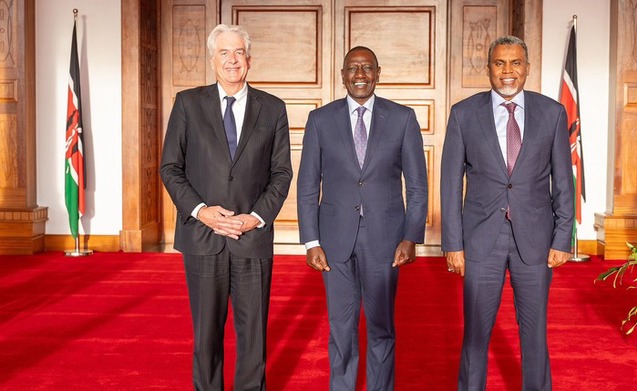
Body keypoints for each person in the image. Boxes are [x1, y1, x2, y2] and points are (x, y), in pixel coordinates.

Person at [159, 24, 292, 391]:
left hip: (253, 238)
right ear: (212, 59)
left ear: (248, 60)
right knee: (206, 336)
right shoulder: (188, 103)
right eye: (224, 53)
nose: (232, 60)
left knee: (254, 338)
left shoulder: (273, 108)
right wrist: (201, 211)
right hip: (203, 237)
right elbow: (170, 167)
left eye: (238, 53)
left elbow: (281, 173)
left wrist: (254, 218)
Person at [440, 36, 574, 390]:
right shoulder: (464, 114)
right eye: (500, 63)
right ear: (489, 69)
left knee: (534, 335)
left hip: (536, 239)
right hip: (481, 240)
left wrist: (563, 238)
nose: (508, 71)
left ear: (527, 68)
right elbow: (450, 184)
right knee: (475, 335)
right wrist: (453, 244)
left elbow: (563, 180)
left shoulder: (552, 113)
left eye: (515, 63)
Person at [296, 46, 428, 390]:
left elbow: (417, 185)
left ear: (378, 73)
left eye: (367, 68)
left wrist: (411, 236)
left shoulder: (402, 118)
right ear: (342, 75)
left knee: (381, 328)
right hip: (334, 240)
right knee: (341, 330)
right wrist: (311, 240)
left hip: (386, 240)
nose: (359, 74)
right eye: (353, 68)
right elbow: (308, 184)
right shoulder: (320, 120)